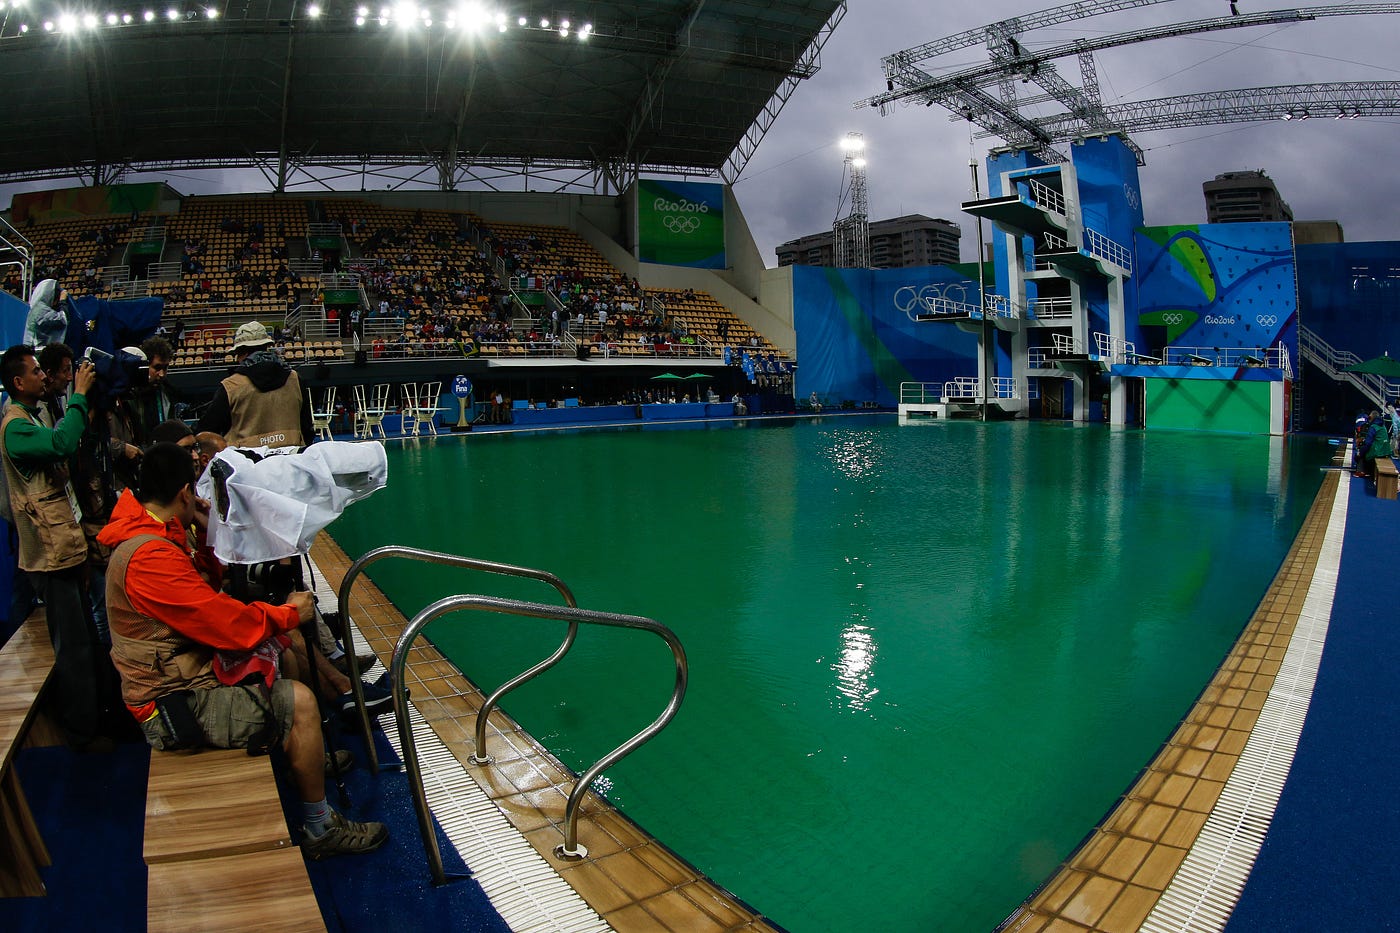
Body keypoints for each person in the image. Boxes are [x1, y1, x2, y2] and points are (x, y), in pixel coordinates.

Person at [100, 443, 388, 859]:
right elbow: (226, 625)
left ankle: (303, 755)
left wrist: (207, 535)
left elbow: (199, 591)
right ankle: (319, 827)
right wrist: (288, 612)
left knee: (284, 653)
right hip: (168, 707)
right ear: (185, 491)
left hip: (181, 675)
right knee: (301, 702)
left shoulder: (150, 532)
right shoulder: (148, 557)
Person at [1, 344, 112, 751]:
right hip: (48, 557)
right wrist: (79, 394)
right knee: (75, 648)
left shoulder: (29, 416)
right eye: (35, 372)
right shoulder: (15, 426)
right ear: (18, 382)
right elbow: (64, 443)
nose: (44, 377)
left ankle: (96, 717)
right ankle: (80, 733)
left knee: (83, 639)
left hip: (62, 548)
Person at [197, 321, 312, 448]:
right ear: (266, 346)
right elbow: (307, 427)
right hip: (290, 459)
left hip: (245, 462)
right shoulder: (295, 379)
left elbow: (206, 431)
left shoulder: (231, 386)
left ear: (241, 353)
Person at [23, 279, 69, 348]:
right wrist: (62, 301)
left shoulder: (37, 308)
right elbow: (63, 320)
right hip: (38, 353)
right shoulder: (41, 310)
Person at [1358, 410, 1392, 482]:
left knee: (1361, 451)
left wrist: (1360, 452)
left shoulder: (1373, 427)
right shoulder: (1383, 425)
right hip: (1386, 451)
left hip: (1377, 452)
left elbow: (1368, 443)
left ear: (1370, 418)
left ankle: (1362, 471)